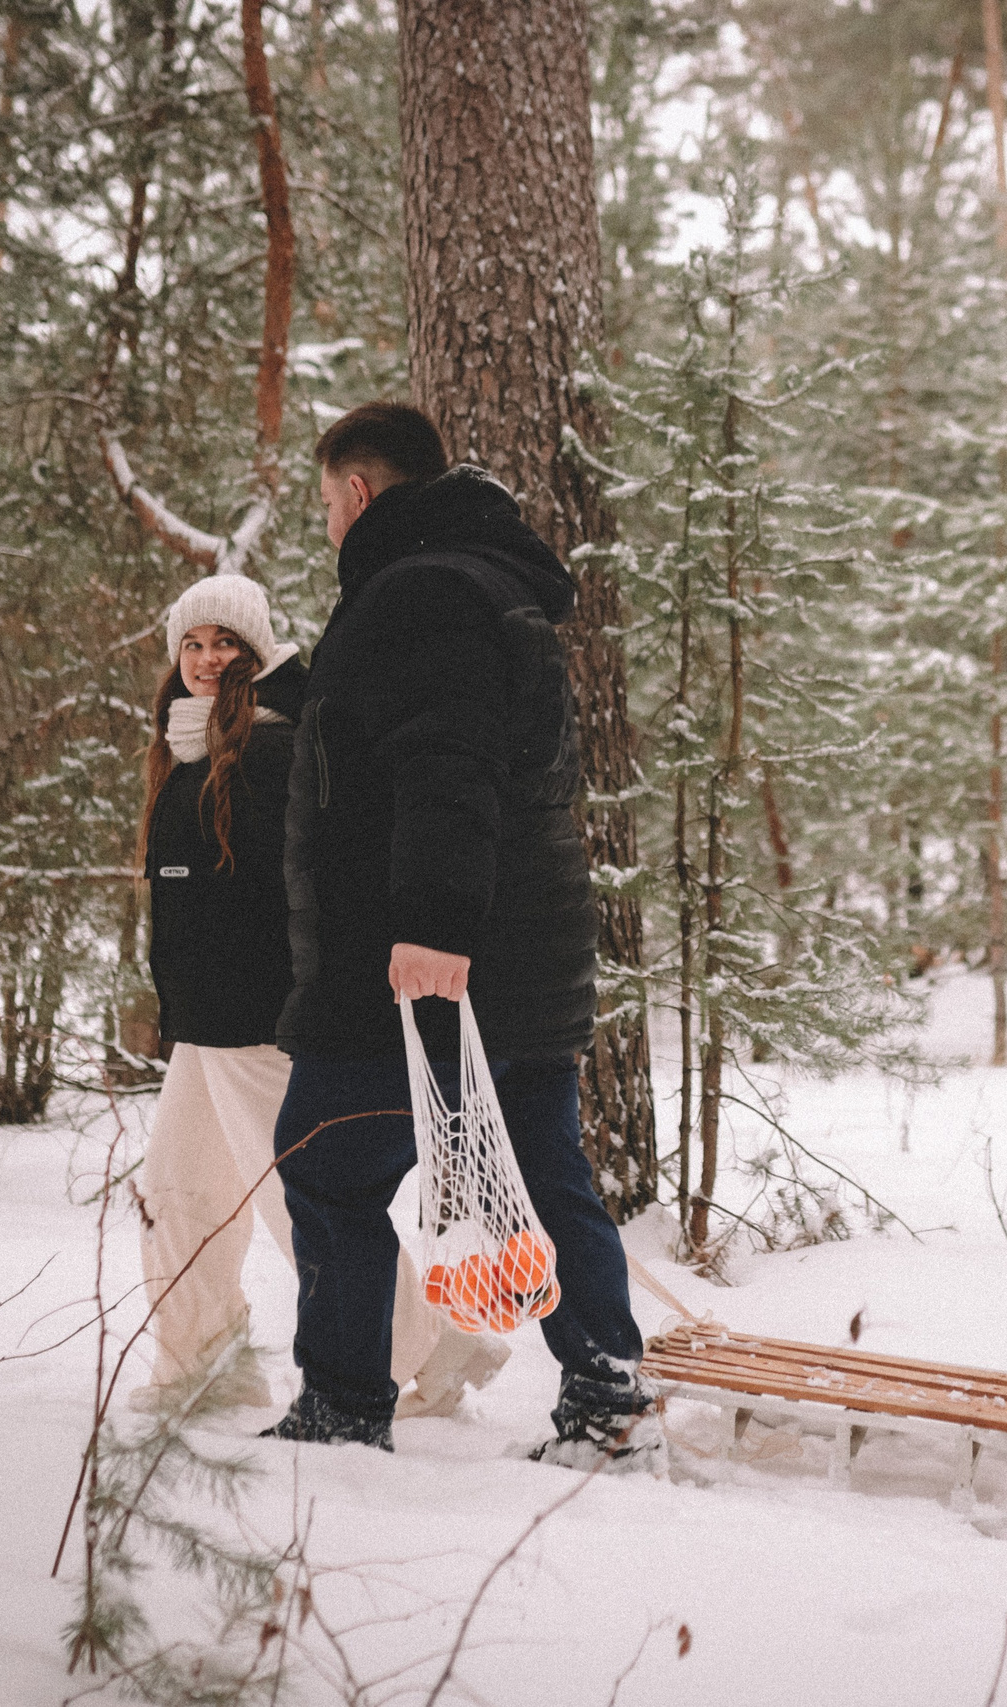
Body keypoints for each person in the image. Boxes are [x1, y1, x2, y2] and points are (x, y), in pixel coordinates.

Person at [261, 401, 654, 1466]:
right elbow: (424, 748)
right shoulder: (469, 584)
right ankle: (603, 1393)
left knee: (328, 1164)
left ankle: (345, 1404)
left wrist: (430, 930)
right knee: (531, 1169)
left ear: (358, 492)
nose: (328, 527)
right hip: (502, 956)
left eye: (326, 505)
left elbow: (448, 767)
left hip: (422, 966)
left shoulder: (421, 592)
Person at [131, 572, 503, 1419]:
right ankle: (204, 1365)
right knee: (179, 1190)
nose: (208, 658)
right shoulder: (189, 746)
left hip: (258, 1021)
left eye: (226, 643)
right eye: (193, 643)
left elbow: (303, 892)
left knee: (297, 1208)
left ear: (258, 654)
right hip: (207, 1025)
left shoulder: (267, 748)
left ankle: (437, 1351)